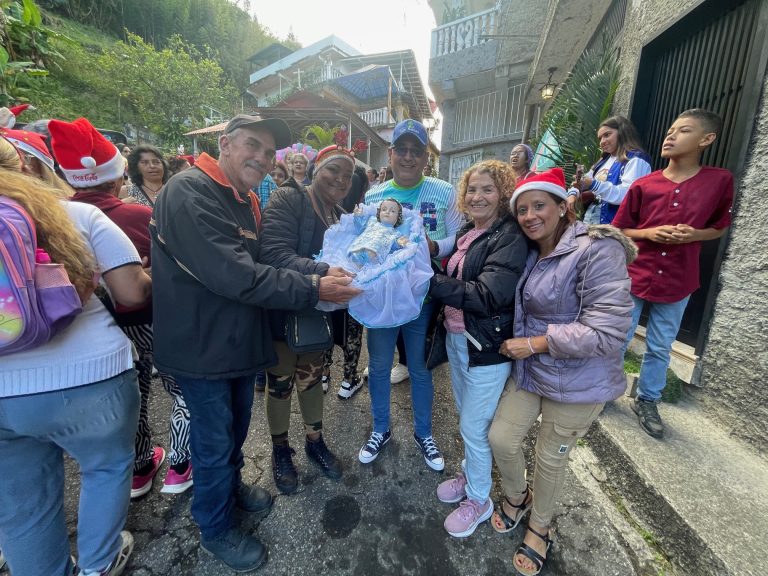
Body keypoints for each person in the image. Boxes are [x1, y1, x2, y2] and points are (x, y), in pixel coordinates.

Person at [151, 114, 359, 572]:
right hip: (201, 346)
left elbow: (254, 269)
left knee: (234, 434)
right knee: (211, 443)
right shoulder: (188, 191)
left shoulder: (242, 200)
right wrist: (315, 285)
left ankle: (230, 489)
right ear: (224, 144)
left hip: (238, 341)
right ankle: (215, 529)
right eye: (252, 146)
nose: (262, 158)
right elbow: (235, 274)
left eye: (268, 153)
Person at [0, 165, 151, 576]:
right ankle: (98, 564)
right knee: (104, 469)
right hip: (88, 377)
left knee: (22, 507)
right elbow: (132, 292)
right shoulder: (77, 215)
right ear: (32, 168)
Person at [489, 167, 635, 576]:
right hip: (534, 372)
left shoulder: (596, 248)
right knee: (501, 437)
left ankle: (541, 526)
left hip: (580, 380)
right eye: (522, 210)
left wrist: (535, 343)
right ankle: (519, 497)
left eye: (539, 206)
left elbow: (607, 331)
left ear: (563, 205)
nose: (530, 216)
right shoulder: (531, 250)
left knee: (551, 459)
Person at [49, 118, 193, 498]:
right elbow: (144, 285)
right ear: (117, 177)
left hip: (91, 330)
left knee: (136, 397)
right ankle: (180, 463)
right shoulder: (137, 216)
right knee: (181, 390)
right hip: (147, 320)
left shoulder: (51, 221)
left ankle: (141, 466)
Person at [613, 108, 734, 439]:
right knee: (619, 335)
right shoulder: (644, 184)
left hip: (679, 277)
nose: (671, 135)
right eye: (670, 130)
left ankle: (647, 400)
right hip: (637, 271)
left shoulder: (719, 181)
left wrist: (694, 235)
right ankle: (604, 389)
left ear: (706, 139)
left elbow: (718, 227)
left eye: (684, 131)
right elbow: (620, 229)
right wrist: (649, 234)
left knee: (660, 344)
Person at [428, 160, 527, 538]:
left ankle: (480, 499)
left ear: (503, 193)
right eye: (472, 189)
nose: (478, 196)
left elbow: (487, 295)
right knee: (468, 418)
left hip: (486, 346)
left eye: (487, 189)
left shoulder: (509, 236)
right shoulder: (471, 231)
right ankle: (470, 476)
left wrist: (429, 281)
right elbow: (443, 257)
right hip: (458, 339)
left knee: (474, 425)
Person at [359, 119, 464, 471]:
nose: (407, 156)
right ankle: (380, 429)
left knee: (419, 367)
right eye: (400, 149)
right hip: (382, 299)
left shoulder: (444, 191)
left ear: (425, 157)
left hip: (422, 297)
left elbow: (459, 235)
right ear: (390, 154)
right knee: (377, 366)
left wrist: (435, 245)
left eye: (415, 151)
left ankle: (424, 433)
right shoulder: (374, 195)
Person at [259, 145, 362, 494]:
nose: (341, 180)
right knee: (282, 383)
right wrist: (321, 273)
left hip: (317, 316)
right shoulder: (288, 199)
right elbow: (272, 253)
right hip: (284, 310)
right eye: (334, 170)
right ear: (316, 169)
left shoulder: (339, 215)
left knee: (312, 378)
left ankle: (314, 440)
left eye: (348, 176)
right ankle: (279, 449)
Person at [567, 116, 652, 225]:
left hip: (615, 229)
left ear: (622, 132)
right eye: (600, 138)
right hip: (591, 222)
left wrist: (593, 185)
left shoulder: (636, 159)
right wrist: (573, 193)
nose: (602, 141)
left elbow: (627, 196)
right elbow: (583, 182)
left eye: (607, 135)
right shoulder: (603, 161)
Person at [347, 198, 410, 266]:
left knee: (371, 257)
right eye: (384, 209)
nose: (387, 212)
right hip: (358, 249)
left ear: (398, 217)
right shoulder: (372, 220)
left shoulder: (395, 233)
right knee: (353, 262)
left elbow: (392, 247)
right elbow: (360, 229)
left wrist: (399, 243)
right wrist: (358, 217)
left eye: (392, 211)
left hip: (373, 257)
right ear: (379, 212)